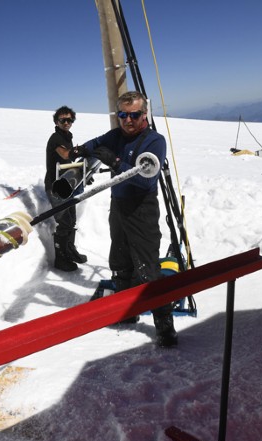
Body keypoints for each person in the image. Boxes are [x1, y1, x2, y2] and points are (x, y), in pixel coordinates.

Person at [79, 91, 178, 347]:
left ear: (144, 114)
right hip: (119, 205)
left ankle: (164, 325)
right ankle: (127, 311)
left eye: (134, 114)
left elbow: (146, 180)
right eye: (122, 115)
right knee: (120, 261)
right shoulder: (117, 135)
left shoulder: (154, 141)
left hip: (142, 208)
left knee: (147, 268)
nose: (128, 120)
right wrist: (77, 151)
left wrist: (117, 161)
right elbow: (95, 143)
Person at [44, 106, 88, 272]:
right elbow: (65, 155)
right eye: (63, 120)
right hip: (56, 186)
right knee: (64, 221)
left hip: (67, 183)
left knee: (71, 219)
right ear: (57, 121)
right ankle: (61, 259)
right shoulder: (56, 138)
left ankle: (70, 250)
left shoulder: (67, 137)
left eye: (70, 120)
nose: (67, 122)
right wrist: (81, 150)